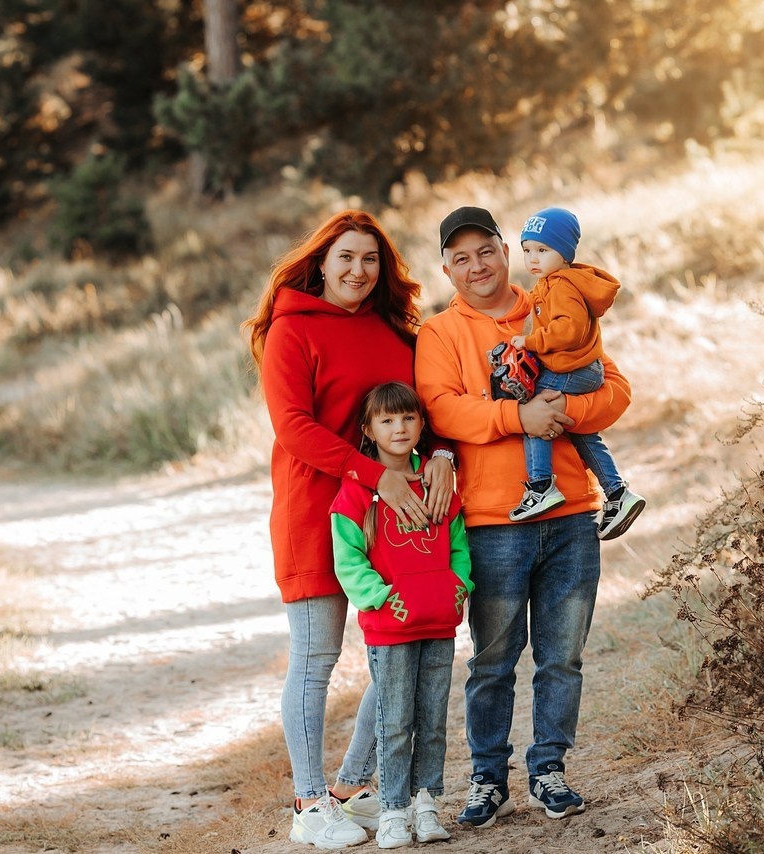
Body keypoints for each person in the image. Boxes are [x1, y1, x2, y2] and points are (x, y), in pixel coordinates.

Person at [414, 205, 632, 829]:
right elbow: (444, 412)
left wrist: (564, 408)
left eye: (486, 251)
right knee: (492, 662)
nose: (476, 266)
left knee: (562, 657)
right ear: (447, 268)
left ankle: (549, 770)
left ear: (505, 251)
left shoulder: (554, 302)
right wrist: (518, 418)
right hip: (492, 522)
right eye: (461, 258)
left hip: (570, 513)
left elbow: (615, 389)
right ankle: (488, 779)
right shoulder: (439, 334)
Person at [244, 210, 456, 849]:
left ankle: (351, 787)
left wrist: (441, 452)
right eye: (346, 258)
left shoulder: (396, 330)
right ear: (321, 263)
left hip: (397, 517)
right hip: (317, 509)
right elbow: (293, 427)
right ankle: (309, 804)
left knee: (399, 645)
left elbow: (429, 404)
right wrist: (373, 474)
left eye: (371, 260)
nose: (359, 271)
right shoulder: (291, 331)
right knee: (315, 659)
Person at [331, 382, 473, 849]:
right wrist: (379, 597)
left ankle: (425, 803)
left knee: (432, 719)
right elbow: (348, 558)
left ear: (421, 424)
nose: (399, 428)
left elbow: (457, 544)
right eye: (387, 421)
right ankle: (392, 811)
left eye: (408, 418)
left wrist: (459, 587)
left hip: (438, 621)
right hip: (390, 628)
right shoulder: (357, 492)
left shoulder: (436, 480)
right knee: (395, 720)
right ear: (368, 431)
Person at [503, 206, 646, 539]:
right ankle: (618, 493)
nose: (532, 258)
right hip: (580, 368)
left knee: (535, 413)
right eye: (527, 250)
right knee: (581, 432)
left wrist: (530, 341)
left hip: (574, 368)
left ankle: (541, 486)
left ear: (564, 253)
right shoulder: (551, 283)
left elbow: (569, 330)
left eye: (543, 250)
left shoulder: (563, 286)